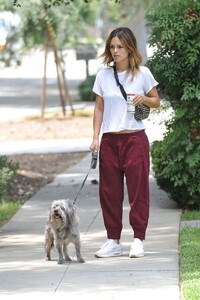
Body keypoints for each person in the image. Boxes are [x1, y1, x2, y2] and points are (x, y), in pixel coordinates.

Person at [90, 27, 160, 258]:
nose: (116, 50)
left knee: (138, 191)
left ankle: (138, 239)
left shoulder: (143, 73)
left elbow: (156, 101)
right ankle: (113, 240)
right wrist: (95, 138)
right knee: (109, 192)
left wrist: (144, 99)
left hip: (135, 139)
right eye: (112, 47)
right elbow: (99, 107)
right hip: (110, 140)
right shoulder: (103, 75)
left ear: (130, 48)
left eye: (120, 46)